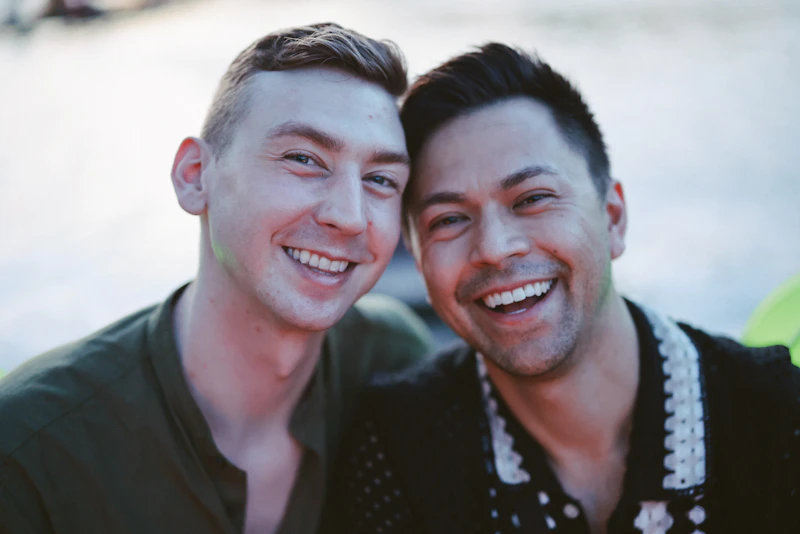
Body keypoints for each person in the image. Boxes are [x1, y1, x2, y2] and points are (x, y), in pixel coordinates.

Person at [330, 43, 800, 533]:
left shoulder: (776, 416)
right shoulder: (397, 444)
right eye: (448, 219)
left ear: (613, 218)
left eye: (533, 198)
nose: (494, 248)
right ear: (422, 265)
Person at [0, 23, 435, 534]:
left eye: (381, 180)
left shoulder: (391, 360)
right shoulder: (30, 448)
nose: (351, 215)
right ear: (194, 176)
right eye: (303, 159)